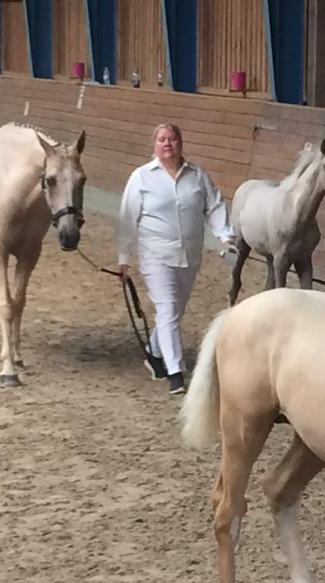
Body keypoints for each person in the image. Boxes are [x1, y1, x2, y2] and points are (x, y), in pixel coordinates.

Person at [117, 123, 234, 395]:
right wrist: (124, 256)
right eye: (161, 140)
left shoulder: (197, 176)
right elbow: (126, 218)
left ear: (180, 142)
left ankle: (153, 351)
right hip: (155, 254)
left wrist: (225, 236)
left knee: (174, 313)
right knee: (168, 309)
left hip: (189, 256)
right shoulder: (141, 177)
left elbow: (214, 205)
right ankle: (176, 373)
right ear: (154, 145)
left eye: (172, 139)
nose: (167, 143)